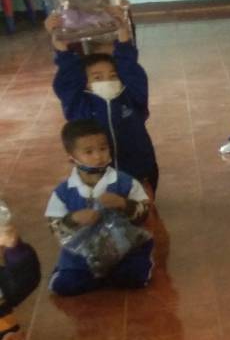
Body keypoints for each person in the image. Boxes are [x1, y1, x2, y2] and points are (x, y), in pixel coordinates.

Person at [50, 0, 158, 193]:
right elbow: (67, 82)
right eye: (97, 77)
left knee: (140, 207)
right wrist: (61, 48)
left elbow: (130, 69)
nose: (106, 80)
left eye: (113, 76)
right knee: (105, 207)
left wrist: (123, 31)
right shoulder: (79, 106)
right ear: (84, 83)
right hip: (97, 178)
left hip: (139, 169)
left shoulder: (131, 98)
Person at [45, 119, 154, 295]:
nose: (98, 156)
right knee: (65, 286)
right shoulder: (63, 192)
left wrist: (124, 204)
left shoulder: (125, 182)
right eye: (89, 152)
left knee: (134, 277)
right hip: (83, 255)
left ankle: (108, 275)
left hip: (124, 249)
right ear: (71, 156)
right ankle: (84, 273)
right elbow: (55, 227)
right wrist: (73, 219)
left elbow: (145, 214)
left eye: (103, 148)